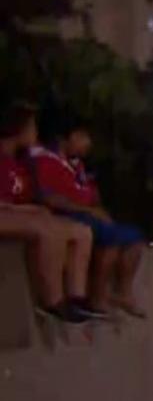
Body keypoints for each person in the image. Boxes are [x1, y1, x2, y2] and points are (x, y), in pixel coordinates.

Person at [32, 120, 146, 317]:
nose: (88, 143)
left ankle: (124, 293)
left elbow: (91, 195)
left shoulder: (78, 166)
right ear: (67, 138)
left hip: (87, 213)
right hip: (67, 215)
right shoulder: (46, 160)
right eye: (83, 137)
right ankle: (96, 298)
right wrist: (88, 211)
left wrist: (98, 208)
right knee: (110, 236)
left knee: (135, 236)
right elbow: (50, 198)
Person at [0, 103, 95, 322]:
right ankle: (52, 301)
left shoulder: (20, 162)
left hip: (17, 213)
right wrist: (30, 211)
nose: (35, 132)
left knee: (80, 231)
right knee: (48, 230)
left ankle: (76, 297)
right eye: (31, 126)